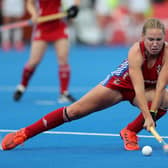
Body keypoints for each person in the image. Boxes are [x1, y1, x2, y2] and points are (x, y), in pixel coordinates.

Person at [1, 18, 168, 151]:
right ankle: (24, 134)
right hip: (119, 86)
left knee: (166, 99)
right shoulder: (135, 51)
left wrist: (152, 114)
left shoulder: (166, 53)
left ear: (164, 38)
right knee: (74, 111)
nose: (154, 44)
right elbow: (137, 87)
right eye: (150, 39)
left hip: (148, 89)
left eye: (158, 39)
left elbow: (161, 86)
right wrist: (147, 116)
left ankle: (130, 131)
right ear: (142, 38)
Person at [13, 0, 80, 103]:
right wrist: (34, 14)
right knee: (33, 61)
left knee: (63, 59)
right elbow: (30, 3)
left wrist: (75, 7)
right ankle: (22, 86)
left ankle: (64, 93)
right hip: (42, 25)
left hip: (59, 24)